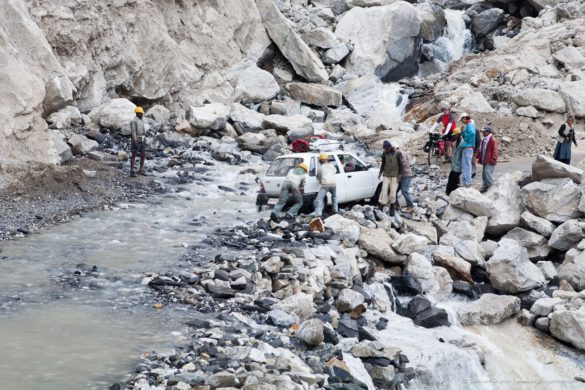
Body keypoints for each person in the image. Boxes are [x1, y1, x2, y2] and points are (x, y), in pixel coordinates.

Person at [378, 140, 402, 216]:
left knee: (392, 192)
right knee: (384, 190)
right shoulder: (384, 154)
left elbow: (401, 165)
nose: (385, 150)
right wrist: (380, 173)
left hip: (395, 176)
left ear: (390, 147)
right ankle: (381, 205)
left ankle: (392, 207)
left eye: (386, 149)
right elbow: (383, 164)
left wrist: (399, 175)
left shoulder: (398, 153)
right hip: (386, 175)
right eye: (384, 149)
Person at [476, 126, 498, 193]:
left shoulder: (492, 140)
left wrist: (493, 159)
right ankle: (485, 187)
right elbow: (482, 150)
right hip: (485, 160)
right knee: (484, 175)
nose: (483, 133)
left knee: (487, 173)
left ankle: (493, 188)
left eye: (484, 131)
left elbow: (495, 151)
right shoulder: (485, 140)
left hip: (490, 161)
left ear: (488, 132)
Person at [393, 143, 415, 212]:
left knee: (404, 191)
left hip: (406, 175)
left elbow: (402, 164)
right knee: (394, 191)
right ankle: (396, 205)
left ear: (397, 148)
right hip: (401, 175)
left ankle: (410, 206)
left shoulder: (401, 154)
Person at [459, 113, 476, 187]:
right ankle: (467, 181)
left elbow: (472, 133)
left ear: (464, 118)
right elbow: (468, 134)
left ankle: (467, 182)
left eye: (461, 120)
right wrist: (462, 132)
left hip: (468, 147)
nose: (461, 122)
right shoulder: (469, 124)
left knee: (466, 165)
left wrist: (466, 140)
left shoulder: (469, 125)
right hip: (469, 147)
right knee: (466, 164)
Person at [130, 106, 147, 177]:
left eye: (142, 113)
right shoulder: (134, 121)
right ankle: (132, 171)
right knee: (134, 154)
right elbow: (133, 132)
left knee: (143, 154)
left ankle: (141, 170)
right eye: (141, 113)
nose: (142, 114)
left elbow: (143, 130)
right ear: (137, 113)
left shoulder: (141, 120)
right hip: (136, 139)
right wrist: (135, 141)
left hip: (142, 139)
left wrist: (144, 139)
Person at [446, 127, 463, 195]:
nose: (453, 137)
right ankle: (448, 193)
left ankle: (454, 194)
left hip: (458, 166)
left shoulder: (462, 144)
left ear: (458, 135)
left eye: (454, 135)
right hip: (454, 166)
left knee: (455, 181)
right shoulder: (456, 143)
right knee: (451, 179)